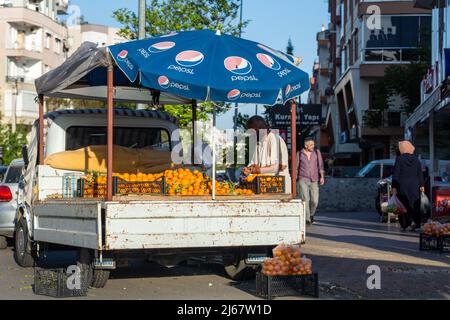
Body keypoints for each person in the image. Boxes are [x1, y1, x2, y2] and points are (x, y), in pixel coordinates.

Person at [242, 116, 291, 194]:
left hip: (278, 189)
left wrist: (260, 170)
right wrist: (248, 169)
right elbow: (253, 163)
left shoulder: (276, 140)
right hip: (263, 188)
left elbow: (282, 166)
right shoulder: (257, 143)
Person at [392, 141, 425, 231]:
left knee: (403, 205)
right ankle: (417, 224)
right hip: (415, 185)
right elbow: (420, 174)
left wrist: (394, 187)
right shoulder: (416, 159)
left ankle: (405, 224)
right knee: (415, 204)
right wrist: (422, 185)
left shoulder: (399, 159)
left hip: (402, 185)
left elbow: (396, 174)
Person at [297, 137, 325, 225]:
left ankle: (311, 214)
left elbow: (320, 165)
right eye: (311, 144)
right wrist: (294, 179)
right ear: (306, 145)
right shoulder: (299, 154)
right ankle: (307, 219)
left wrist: (322, 177)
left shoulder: (317, 152)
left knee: (314, 201)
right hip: (303, 179)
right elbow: (296, 167)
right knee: (305, 199)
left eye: (313, 144)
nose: (313, 146)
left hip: (314, 179)